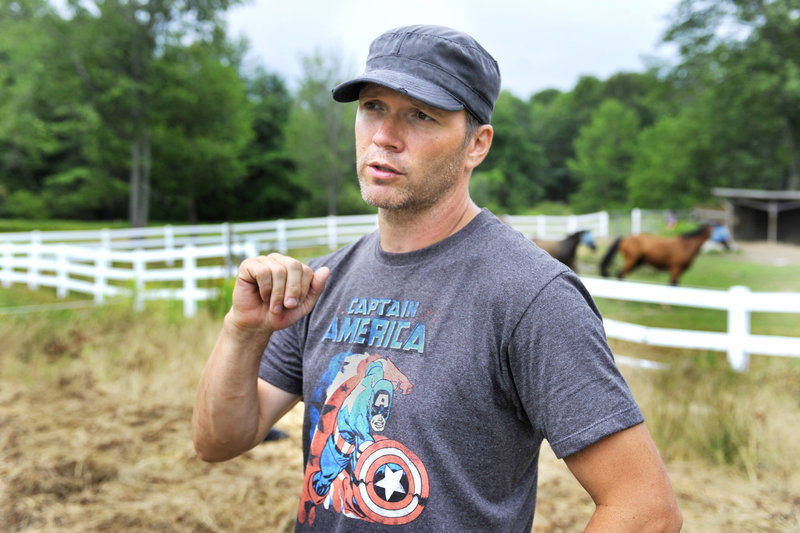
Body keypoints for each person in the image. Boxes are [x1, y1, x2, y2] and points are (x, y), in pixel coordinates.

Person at [192, 24, 682, 532]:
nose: (384, 136)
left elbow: (645, 509)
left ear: (477, 145)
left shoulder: (530, 295)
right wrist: (243, 331)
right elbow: (218, 441)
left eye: (421, 115)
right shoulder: (322, 281)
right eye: (373, 108)